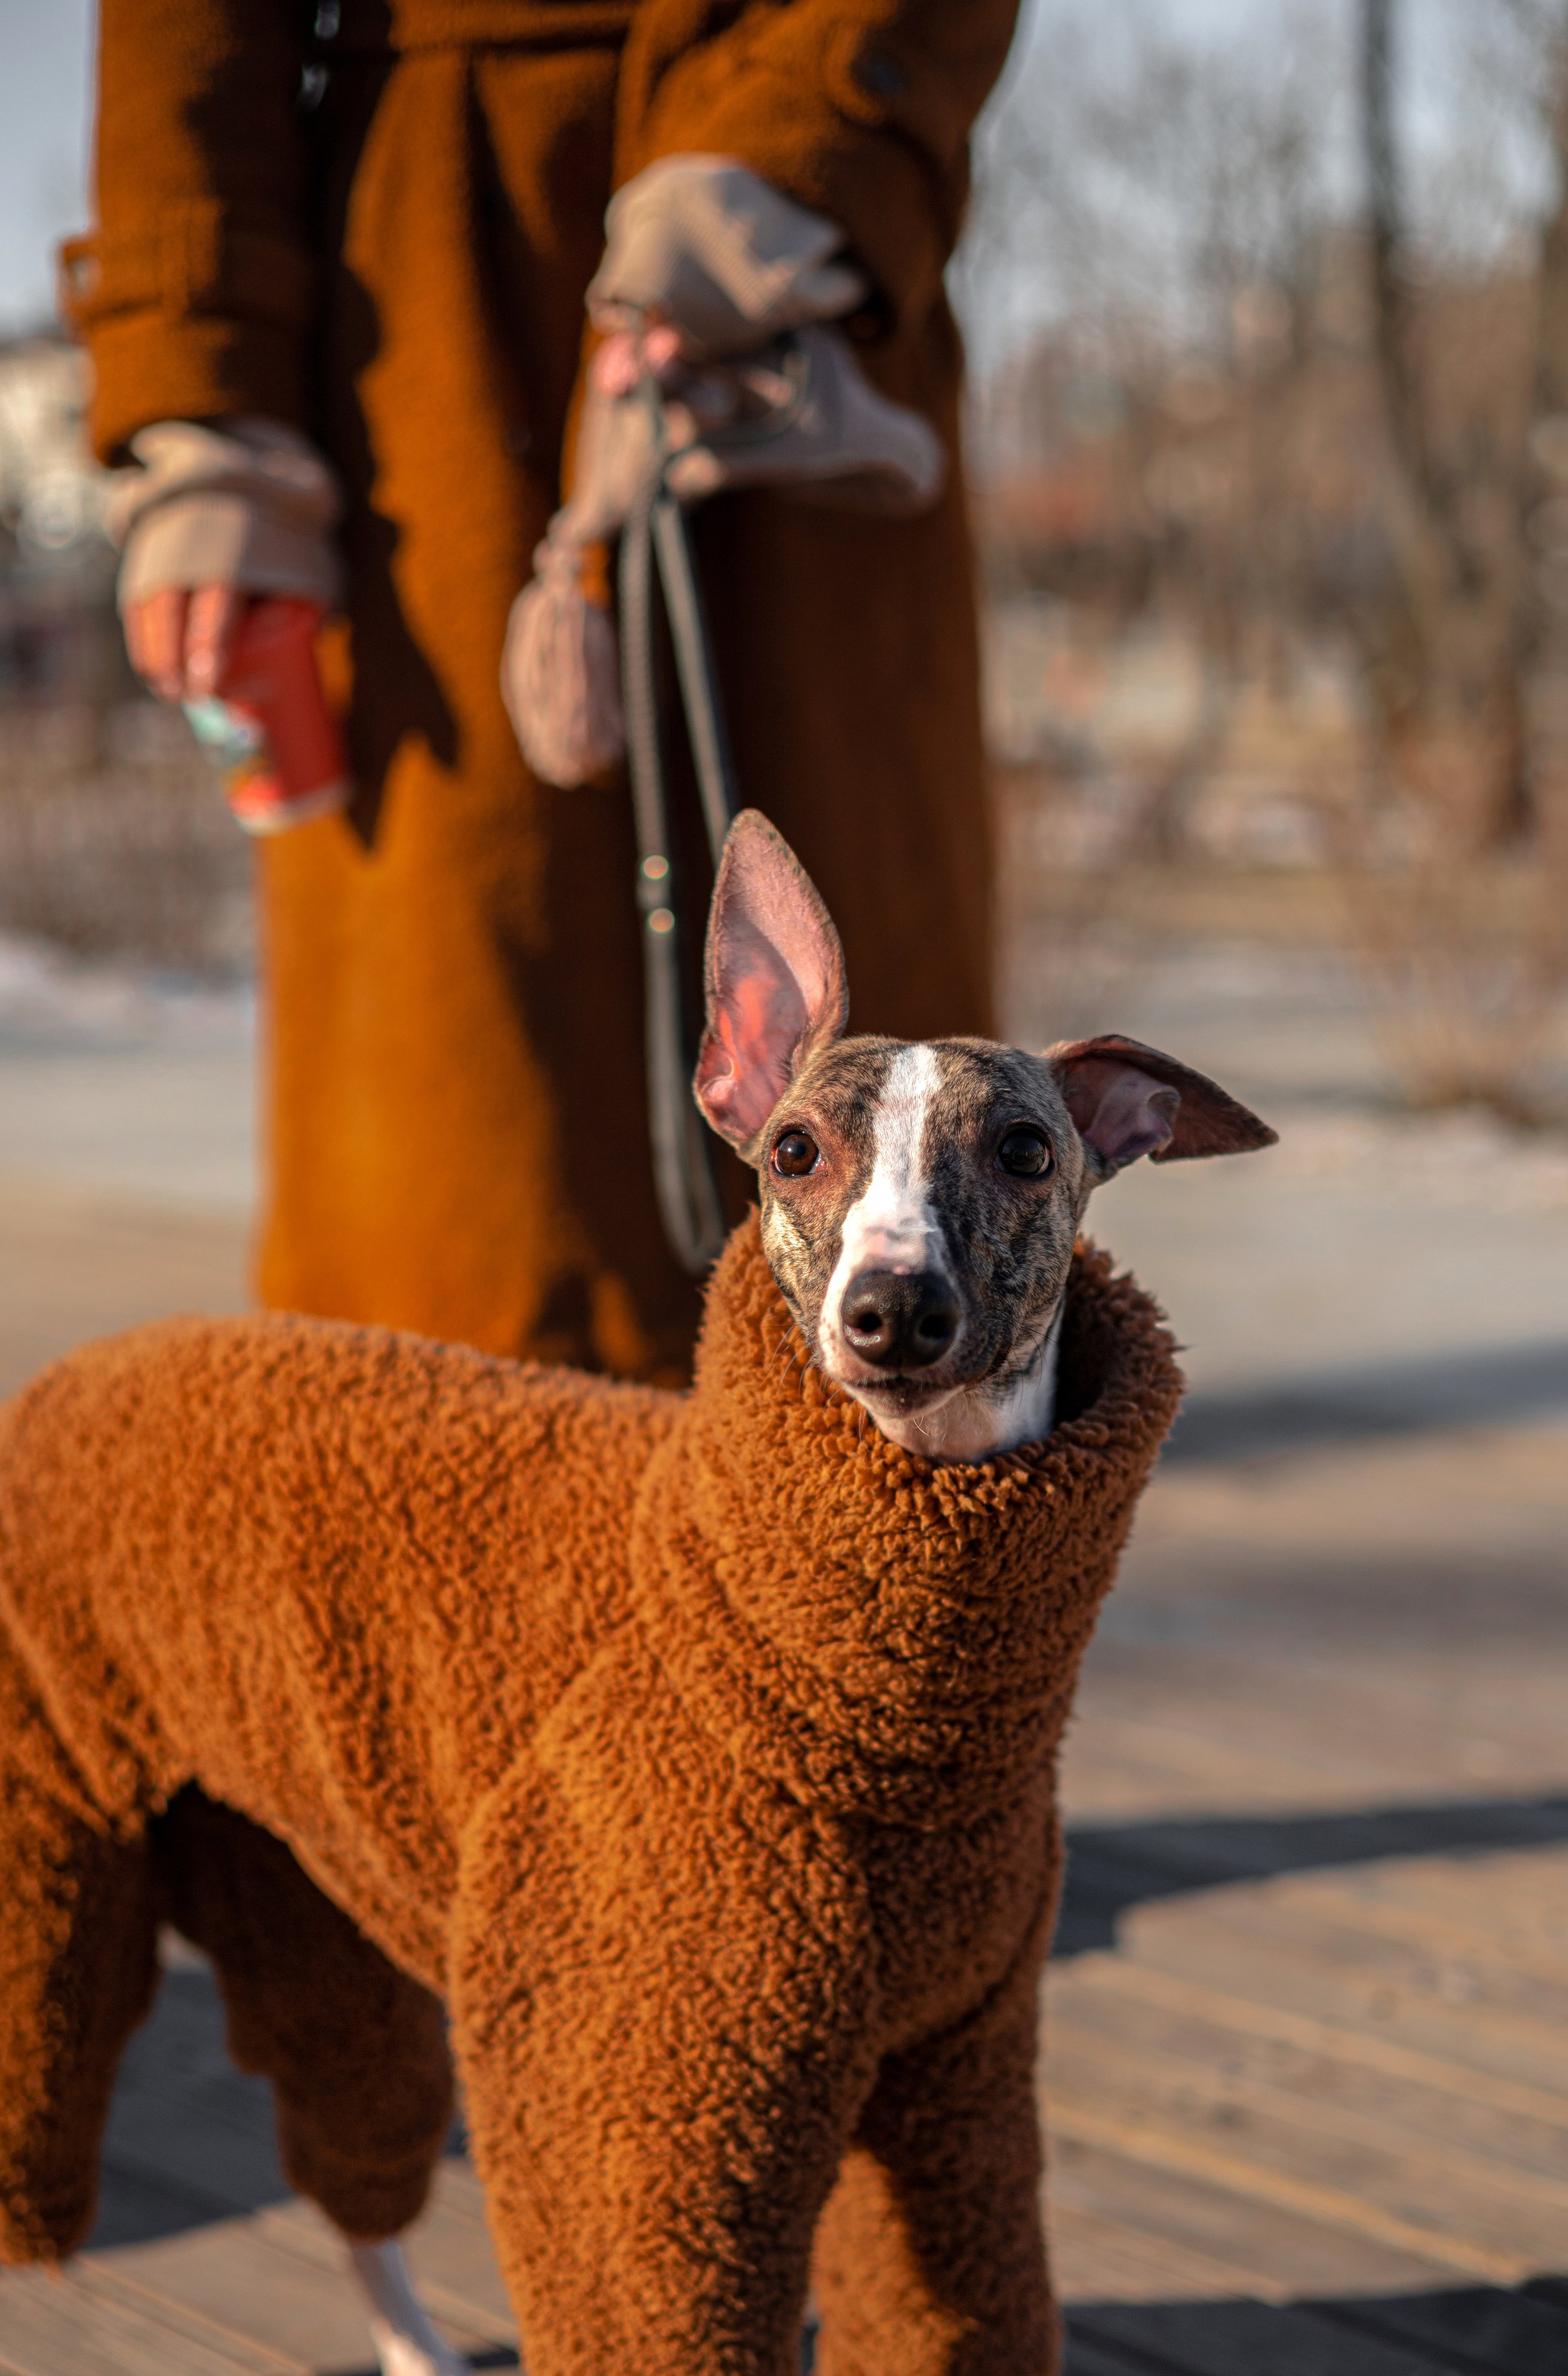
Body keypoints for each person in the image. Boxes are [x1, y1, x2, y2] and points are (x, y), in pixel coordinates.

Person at [63, 0, 1018, 1382]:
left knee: (884, 1230)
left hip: (791, 309)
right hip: (417, 361)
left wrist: (805, 142)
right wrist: (201, 393)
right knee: (453, 1249)